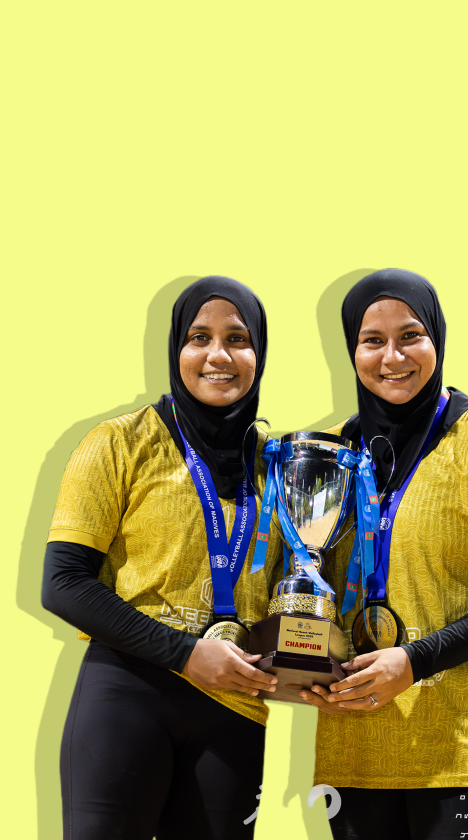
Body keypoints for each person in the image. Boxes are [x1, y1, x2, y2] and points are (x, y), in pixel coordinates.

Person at [298, 269, 468, 840]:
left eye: (410, 336)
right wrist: (305, 666)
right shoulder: (325, 453)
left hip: (463, 751)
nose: (393, 357)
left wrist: (414, 662)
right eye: (372, 340)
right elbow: (304, 577)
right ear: (351, 351)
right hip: (355, 747)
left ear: (436, 338)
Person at [43, 275, 284, 838]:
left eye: (238, 339)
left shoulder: (278, 467)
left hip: (235, 710)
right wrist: (185, 654)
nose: (218, 355)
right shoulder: (118, 442)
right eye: (199, 337)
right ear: (176, 348)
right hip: (127, 695)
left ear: (260, 354)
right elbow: (64, 582)